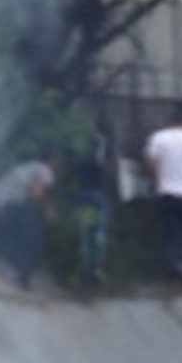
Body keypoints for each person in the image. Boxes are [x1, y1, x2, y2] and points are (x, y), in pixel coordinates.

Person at [0, 156, 57, 290]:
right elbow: (36, 193)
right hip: (5, 202)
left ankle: (18, 273)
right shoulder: (44, 170)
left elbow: (34, 192)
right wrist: (48, 209)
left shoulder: (33, 167)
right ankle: (22, 276)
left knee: (20, 236)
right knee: (29, 238)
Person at [69, 110, 116, 287]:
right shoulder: (104, 143)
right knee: (98, 233)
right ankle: (95, 268)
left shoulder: (80, 142)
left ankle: (83, 271)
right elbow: (106, 167)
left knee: (84, 231)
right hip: (98, 192)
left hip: (81, 192)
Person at [144, 101, 182, 282]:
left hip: (167, 192)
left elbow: (151, 166)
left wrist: (159, 178)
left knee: (172, 232)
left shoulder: (159, 138)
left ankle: (175, 265)